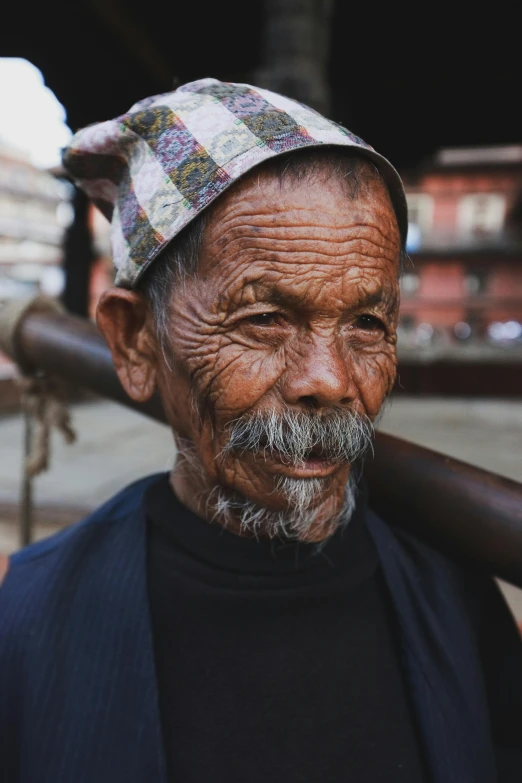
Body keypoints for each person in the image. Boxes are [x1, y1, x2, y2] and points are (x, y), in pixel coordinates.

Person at [1, 78, 521, 783]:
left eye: (368, 323)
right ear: (133, 343)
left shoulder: (457, 600)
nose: (331, 380)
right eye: (264, 319)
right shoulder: (28, 622)